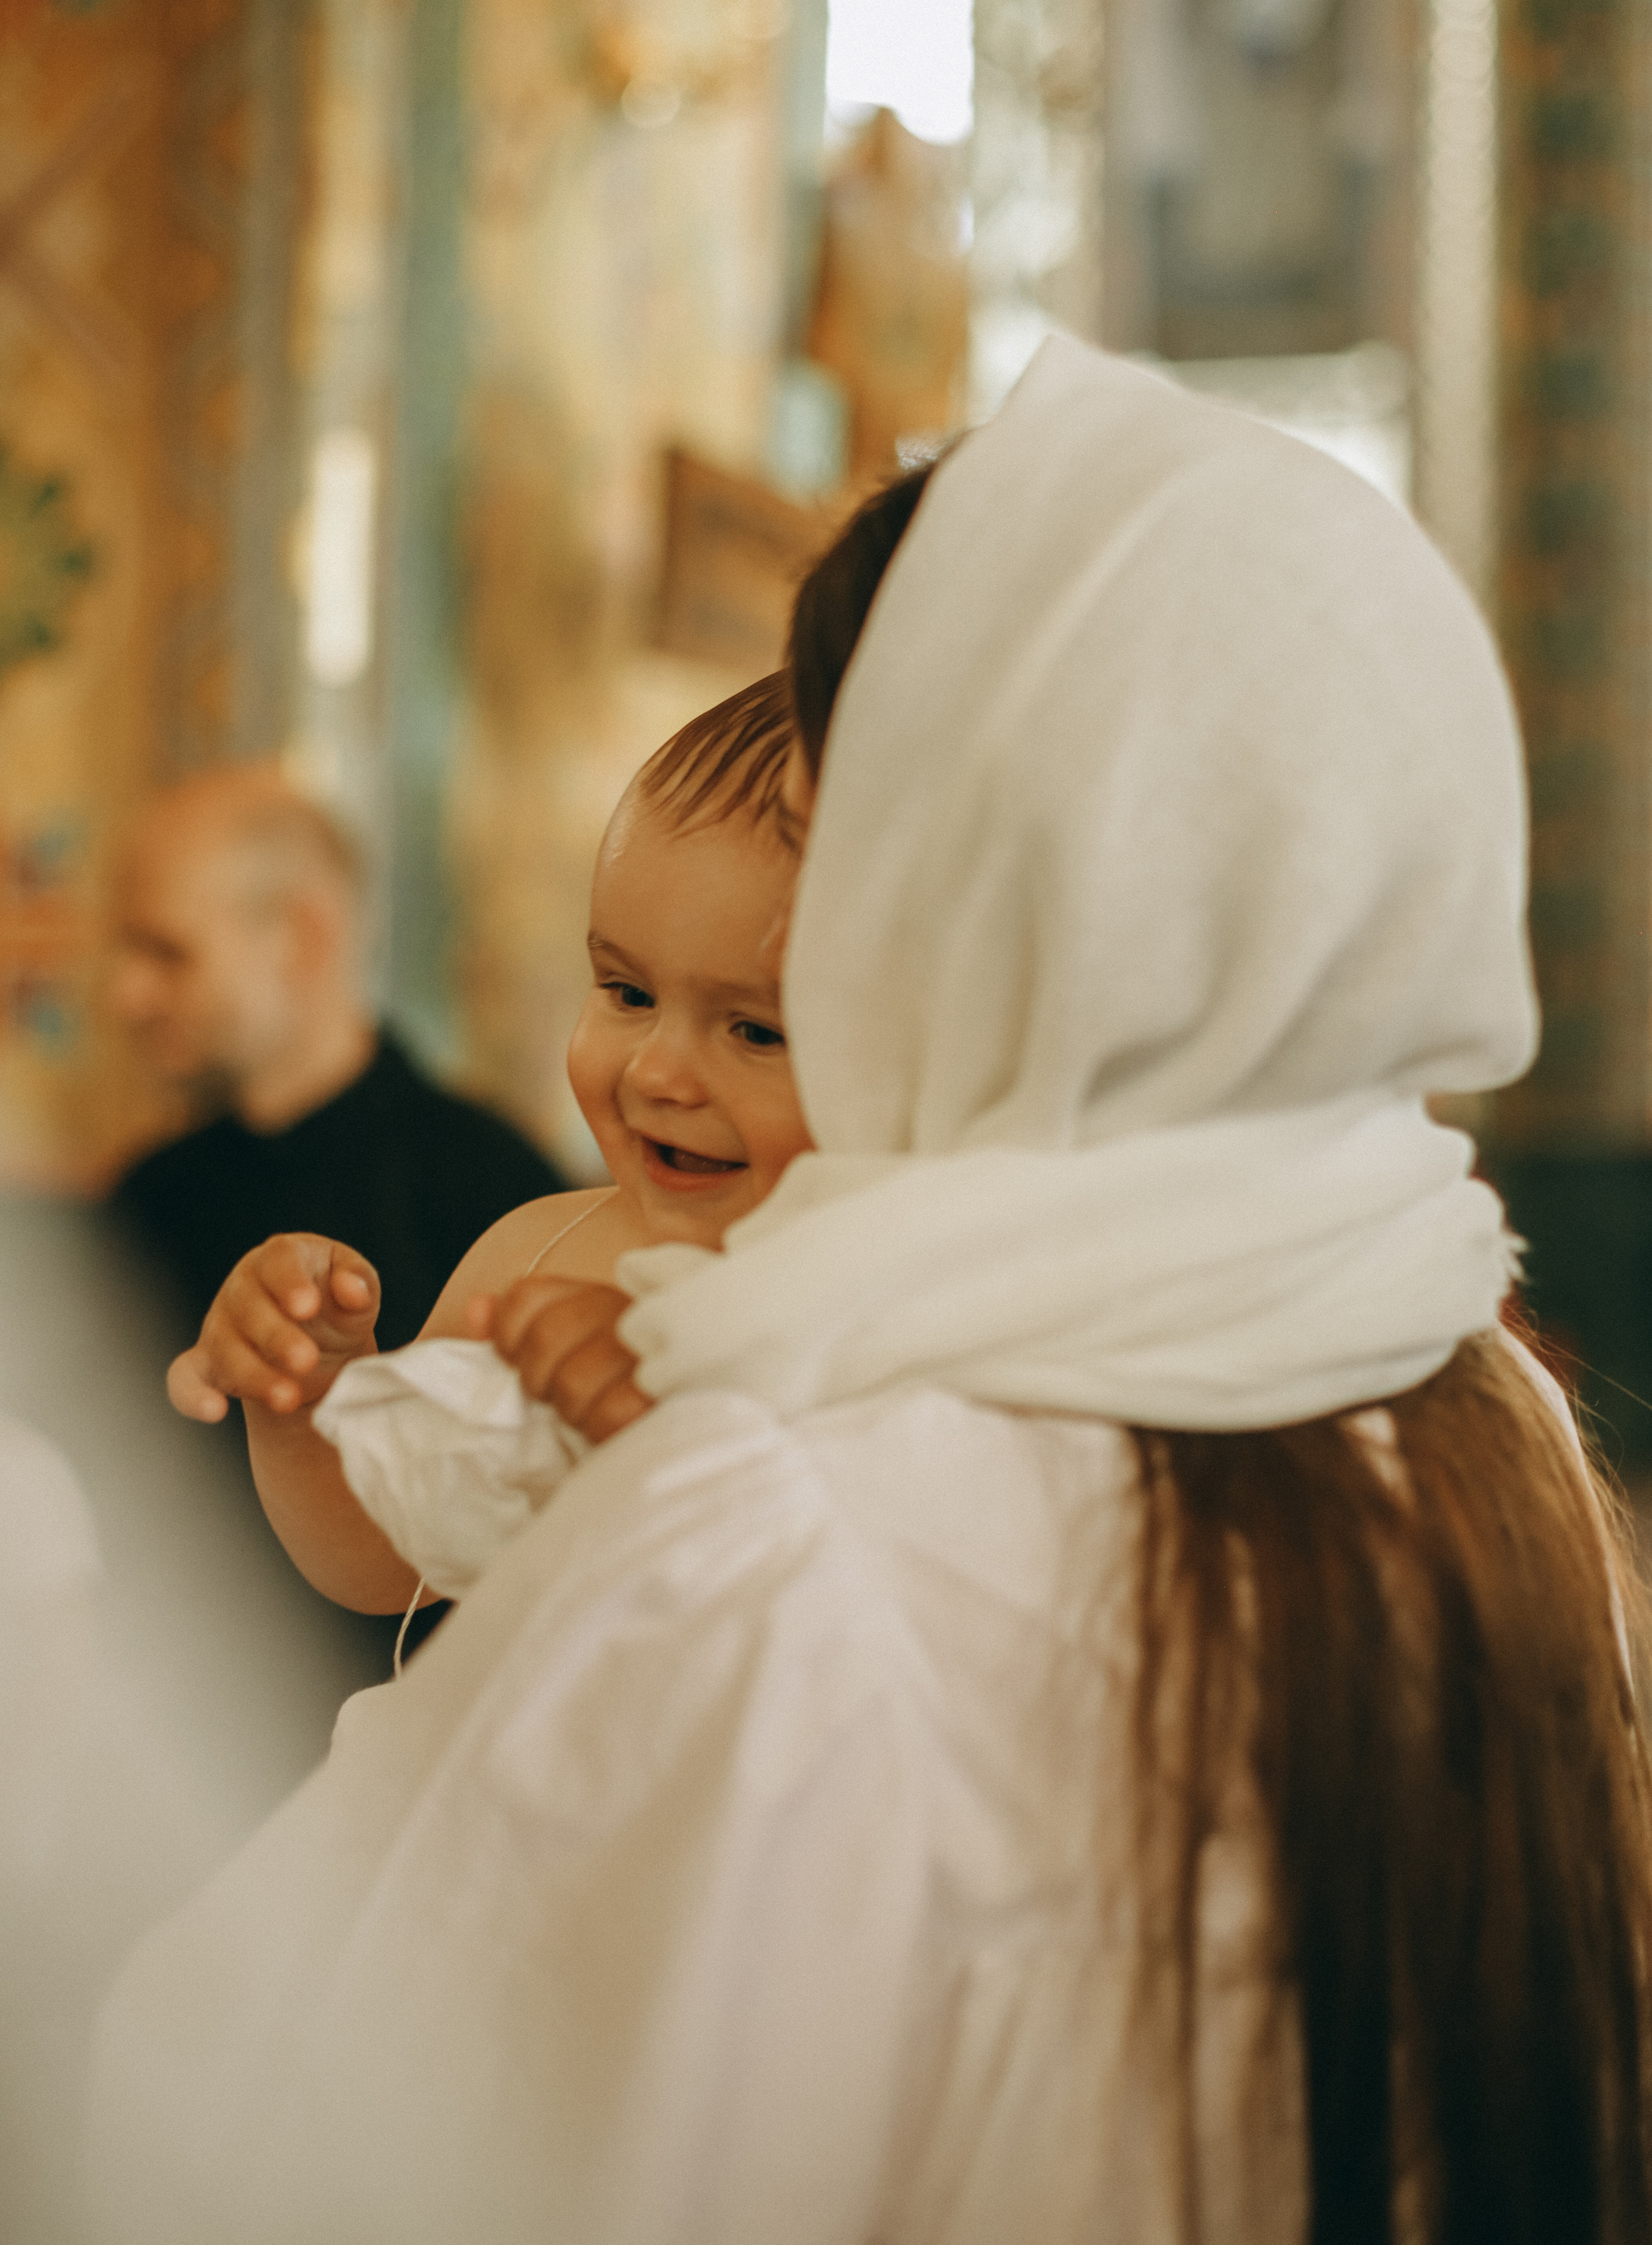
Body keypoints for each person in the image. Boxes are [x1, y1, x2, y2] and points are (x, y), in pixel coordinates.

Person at [86, 341, 1652, 2244]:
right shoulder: (1480, 1410)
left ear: (1002, 903)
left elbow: (320, 2141)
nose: (676, 1054)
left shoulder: (788, 1527)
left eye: (865, 839)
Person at [163, 679, 810, 1620]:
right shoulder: (540, 1253)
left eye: (754, 1031)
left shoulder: (901, 1292)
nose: (656, 1074)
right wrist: (305, 1402)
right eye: (627, 993)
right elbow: (383, 1553)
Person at [107, 765, 569, 1354]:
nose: (125, 994)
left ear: (305, 937)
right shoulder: (147, 1198)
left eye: (168, 953)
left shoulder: (491, 1194)